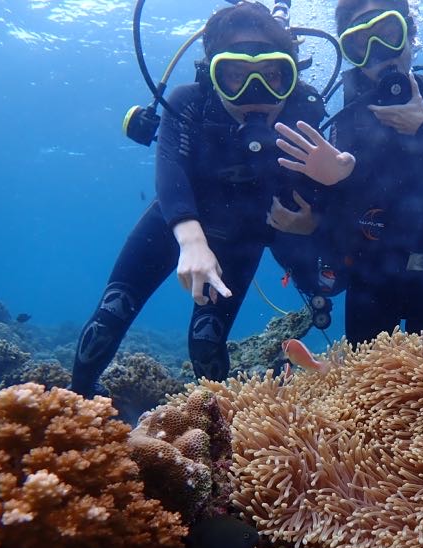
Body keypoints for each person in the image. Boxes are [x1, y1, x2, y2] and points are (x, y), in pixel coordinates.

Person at [71, 1, 327, 397]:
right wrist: (191, 241)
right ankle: (76, 404)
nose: (253, 93)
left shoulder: (303, 110)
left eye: (272, 76)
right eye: (235, 76)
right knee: (111, 313)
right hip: (175, 223)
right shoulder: (189, 102)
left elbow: (320, 195)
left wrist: (312, 222)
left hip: (245, 238)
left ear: (290, 77)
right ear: (212, 74)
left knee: (206, 342)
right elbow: (170, 170)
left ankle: (216, 429)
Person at [272, 0, 423, 354]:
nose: (378, 53)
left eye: (388, 33)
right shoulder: (347, 117)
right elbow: (337, 218)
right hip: (369, 281)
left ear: (410, 34)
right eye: (361, 43)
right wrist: (317, 215)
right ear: (351, 55)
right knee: (367, 389)